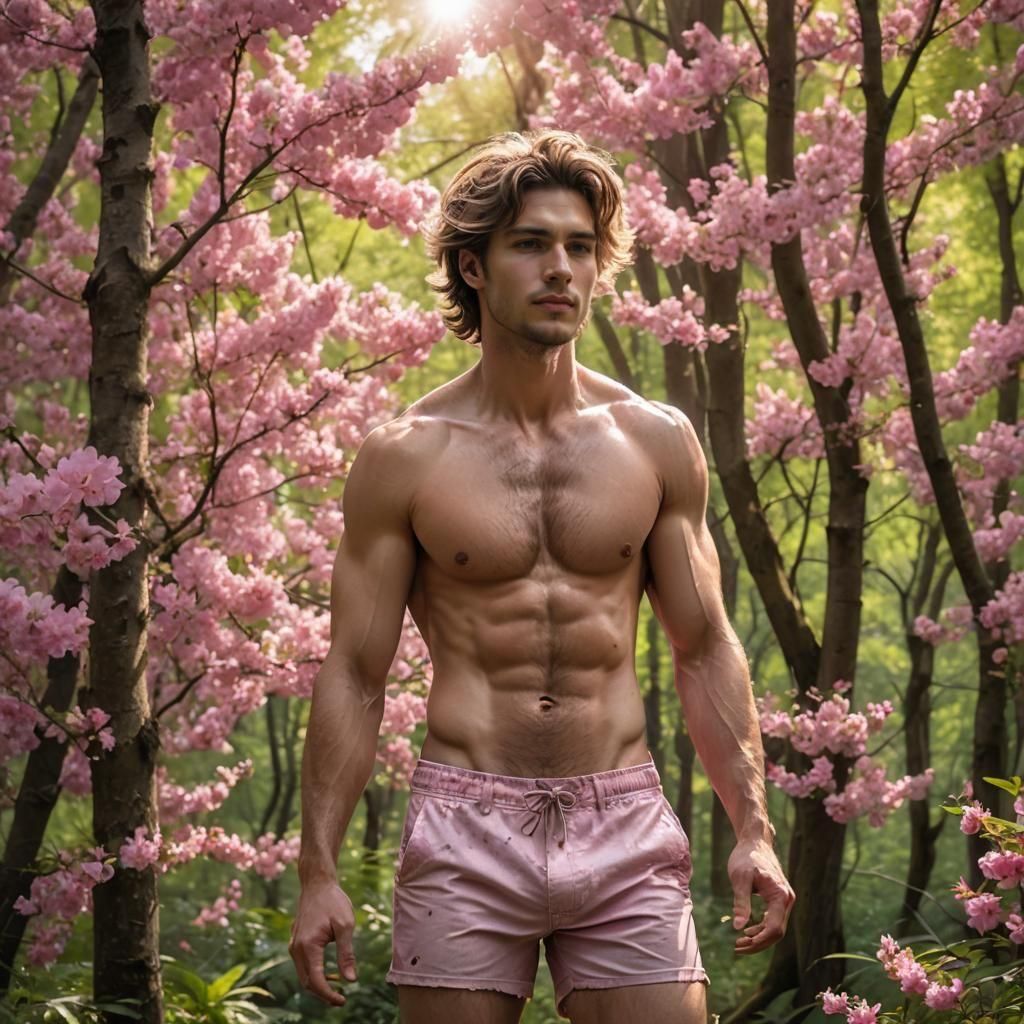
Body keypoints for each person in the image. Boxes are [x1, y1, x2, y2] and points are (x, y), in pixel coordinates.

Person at [289, 130, 794, 1024]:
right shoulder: (405, 457)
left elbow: (705, 644)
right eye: (530, 244)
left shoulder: (655, 440)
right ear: (473, 267)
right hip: (463, 825)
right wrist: (318, 870)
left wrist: (752, 826)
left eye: (580, 246)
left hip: (625, 818)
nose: (561, 267)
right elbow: (356, 675)